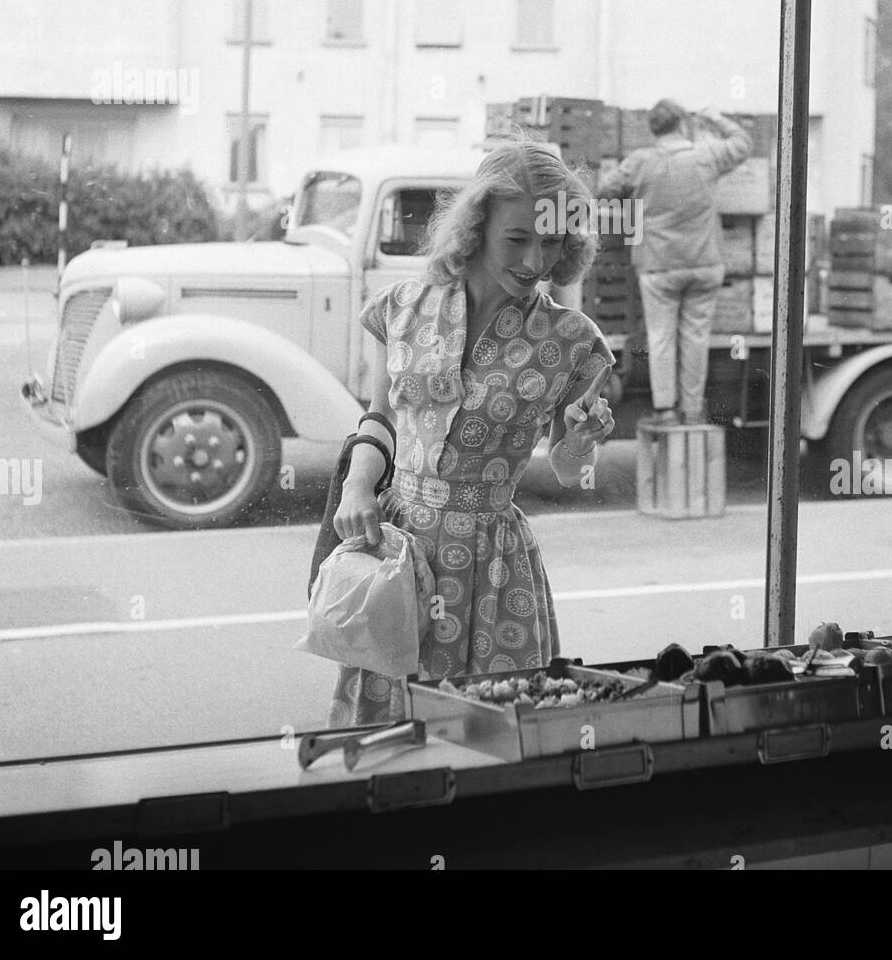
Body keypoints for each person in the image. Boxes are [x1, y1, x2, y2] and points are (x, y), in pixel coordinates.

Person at [308, 140, 616, 727]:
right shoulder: (403, 308)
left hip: (495, 567)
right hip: (398, 557)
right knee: (387, 731)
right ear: (476, 227)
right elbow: (381, 422)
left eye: (551, 241)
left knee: (490, 733)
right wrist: (356, 489)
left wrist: (582, 439)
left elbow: (571, 471)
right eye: (518, 237)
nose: (535, 259)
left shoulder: (574, 342)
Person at [598, 101, 752, 426]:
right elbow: (743, 143)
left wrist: (636, 205)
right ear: (682, 124)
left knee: (662, 337)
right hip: (705, 262)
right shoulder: (707, 155)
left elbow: (606, 188)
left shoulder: (641, 162)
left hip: (658, 265)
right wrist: (714, 116)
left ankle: (665, 410)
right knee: (696, 337)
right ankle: (692, 409)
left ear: (654, 129)